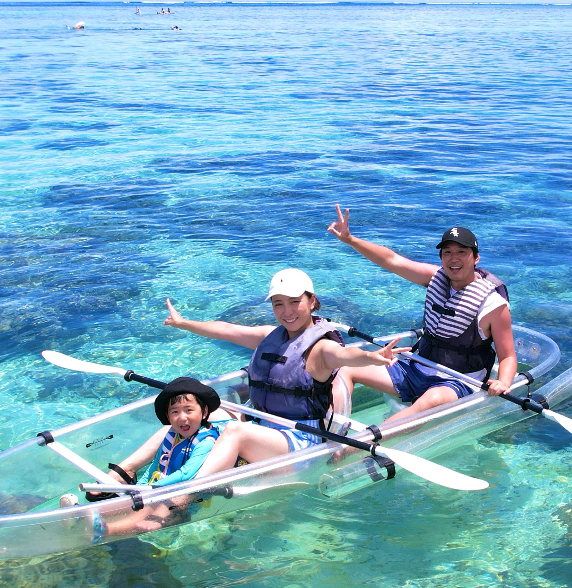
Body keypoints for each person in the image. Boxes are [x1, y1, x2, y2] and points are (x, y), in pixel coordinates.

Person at [168, 269, 399, 476]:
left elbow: (342, 355)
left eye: (294, 301)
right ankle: (132, 470)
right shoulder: (270, 335)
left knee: (234, 431)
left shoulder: (320, 349)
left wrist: (371, 357)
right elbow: (226, 329)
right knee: (195, 414)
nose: (287, 311)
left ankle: (184, 494)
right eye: (278, 303)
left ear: (312, 301)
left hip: (302, 440)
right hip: (263, 423)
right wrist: (185, 323)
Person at [327, 206, 517, 424]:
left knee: (432, 399)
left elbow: (508, 356)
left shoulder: (493, 304)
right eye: (448, 252)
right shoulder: (435, 277)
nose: (454, 258)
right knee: (346, 367)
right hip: (418, 367)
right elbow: (392, 260)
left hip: (458, 382)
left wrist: (503, 381)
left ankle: (362, 446)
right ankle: (332, 431)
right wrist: (351, 240)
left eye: (461, 252)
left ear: (476, 258)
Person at [60, 377, 230, 538]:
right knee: (131, 503)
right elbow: (156, 464)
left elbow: (187, 473)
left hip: (186, 496)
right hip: (157, 488)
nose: (182, 417)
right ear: (168, 416)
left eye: (189, 410)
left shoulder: (206, 441)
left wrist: (154, 488)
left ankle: (105, 530)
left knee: (147, 510)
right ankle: (79, 515)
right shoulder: (172, 434)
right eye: (175, 412)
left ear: (205, 411)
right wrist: (140, 488)